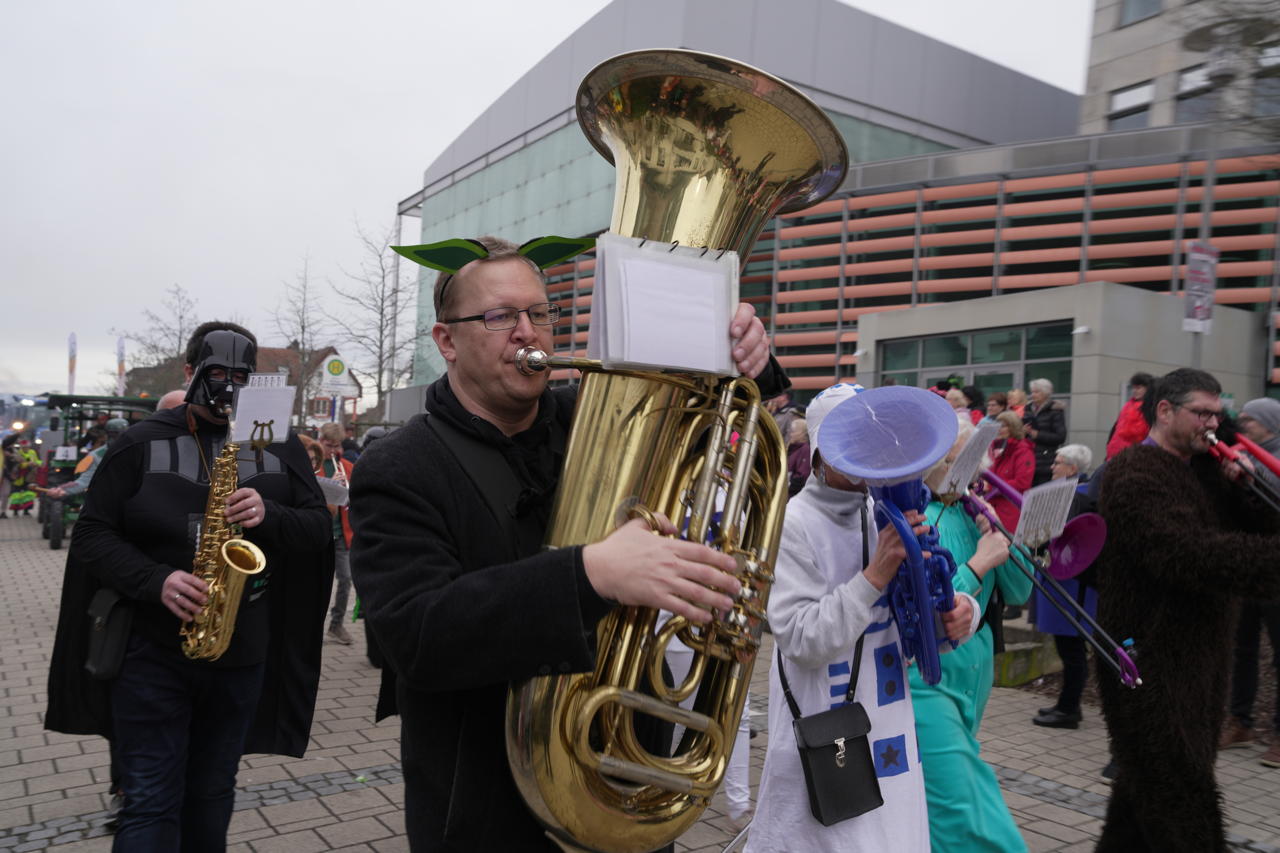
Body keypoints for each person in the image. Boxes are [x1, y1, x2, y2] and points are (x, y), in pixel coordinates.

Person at [348, 235, 782, 851]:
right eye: (499, 317)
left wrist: (746, 358)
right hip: (487, 804)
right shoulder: (400, 465)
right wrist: (590, 575)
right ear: (447, 341)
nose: (528, 333)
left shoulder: (598, 411)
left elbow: (722, 416)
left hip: (628, 769)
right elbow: (413, 634)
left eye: (540, 313)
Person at [45, 322, 334, 852]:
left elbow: (319, 528)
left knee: (211, 791)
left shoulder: (275, 440)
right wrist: (155, 580)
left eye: (240, 377)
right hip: (152, 652)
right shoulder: (140, 442)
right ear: (189, 370)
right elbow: (91, 533)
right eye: (216, 373)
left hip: (241, 654)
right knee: (150, 798)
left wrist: (269, 513)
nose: (227, 388)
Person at [746, 382, 979, 852]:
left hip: (889, 731)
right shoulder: (792, 522)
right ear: (820, 453)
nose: (872, 455)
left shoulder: (885, 510)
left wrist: (957, 616)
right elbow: (800, 638)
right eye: (854, 441)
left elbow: (916, 619)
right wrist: (874, 575)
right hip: (823, 730)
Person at [1094, 368, 1280, 852]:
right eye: (1201, 413)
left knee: (1144, 798)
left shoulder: (1204, 468)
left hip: (1197, 659)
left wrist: (1244, 486)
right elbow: (1189, 555)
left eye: (1218, 415)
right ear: (1164, 411)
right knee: (1183, 795)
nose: (1212, 424)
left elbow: (1256, 530)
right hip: (1147, 663)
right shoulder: (1134, 472)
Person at [910, 421, 1028, 853]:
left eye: (974, 459)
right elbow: (927, 606)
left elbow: (1019, 591)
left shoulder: (971, 511)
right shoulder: (917, 515)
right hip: (929, 680)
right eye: (956, 458)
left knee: (934, 808)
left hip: (973, 679)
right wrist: (978, 563)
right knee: (962, 812)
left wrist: (1004, 539)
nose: (969, 471)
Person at [1219, 397, 1280, 768]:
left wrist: (1252, 474)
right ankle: (1240, 721)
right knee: (1242, 648)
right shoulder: (1240, 451)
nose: (1241, 424)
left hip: (1275, 565)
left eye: (1248, 420)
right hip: (1245, 561)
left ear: (1268, 423)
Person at [1030, 443, 1098, 730]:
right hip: (1068, 581)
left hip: (1072, 583)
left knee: (1071, 649)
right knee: (1068, 648)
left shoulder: (1076, 495)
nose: (1052, 467)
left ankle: (1069, 709)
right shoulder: (1074, 492)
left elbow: (1058, 536)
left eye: (1058, 463)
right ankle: (1067, 705)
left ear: (1072, 468)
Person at [317, 422, 355, 644]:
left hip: (341, 534)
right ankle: (313, 625)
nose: (333, 450)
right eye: (329, 445)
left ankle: (337, 624)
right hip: (320, 532)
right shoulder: (312, 464)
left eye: (336, 446)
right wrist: (329, 487)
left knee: (346, 579)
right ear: (320, 440)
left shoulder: (347, 466)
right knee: (319, 583)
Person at [45, 419, 129, 501]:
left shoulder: (138, 451)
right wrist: (61, 489)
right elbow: (85, 481)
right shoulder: (96, 455)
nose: (118, 438)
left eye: (121, 434)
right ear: (107, 434)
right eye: (113, 434)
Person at [1022, 378, 1066, 485]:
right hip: (1027, 459)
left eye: (1037, 392)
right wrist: (1023, 431)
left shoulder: (1055, 411)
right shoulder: (1028, 409)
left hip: (1046, 461)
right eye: (1032, 392)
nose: (1033, 395)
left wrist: (1037, 435)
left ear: (1046, 393)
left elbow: (1060, 437)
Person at [1105, 372, 1153, 460]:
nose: (1135, 391)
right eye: (1134, 388)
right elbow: (1115, 429)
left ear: (1148, 389)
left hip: (1134, 455)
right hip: (1115, 453)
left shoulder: (1151, 408)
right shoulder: (1128, 405)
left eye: (1138, 388)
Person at [786, 416, 810, 498]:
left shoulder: (805, 450)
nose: (790, 434)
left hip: (790, 496)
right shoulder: (793, 448)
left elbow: (802, 477)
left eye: (793, 431)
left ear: (802, 433)